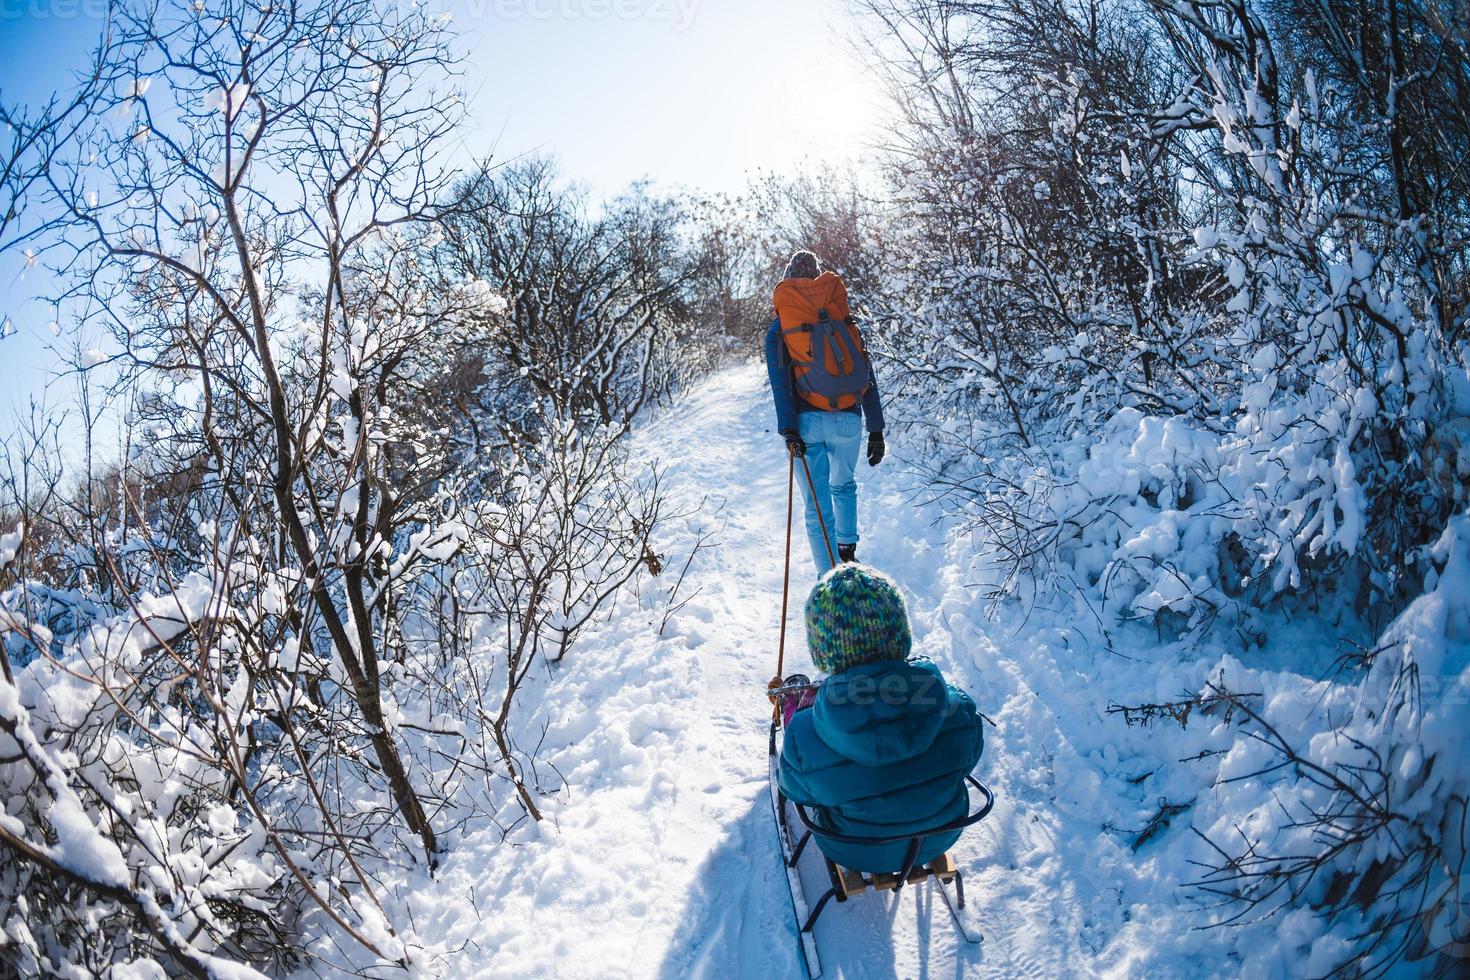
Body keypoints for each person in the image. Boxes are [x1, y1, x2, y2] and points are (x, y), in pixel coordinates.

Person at [777, 564, 984, 874]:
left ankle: (794, 702)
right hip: (940, 836)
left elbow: (794, 790)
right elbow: (968, 760)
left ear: (823, 650)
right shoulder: (956, 708)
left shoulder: (804, 735)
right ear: (900, 632)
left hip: (854, 849)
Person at [765, 250, 886, 573]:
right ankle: (847, 553)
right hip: (848, 417)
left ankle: (829, 578)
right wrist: (876, 428)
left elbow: (780, 381)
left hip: (806, 423)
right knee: (844, 485)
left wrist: (788, 428)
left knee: (816, 507)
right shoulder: (840, 314)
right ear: (818, 276)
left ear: (790, 277)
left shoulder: (783, 324)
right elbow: (865, 371)